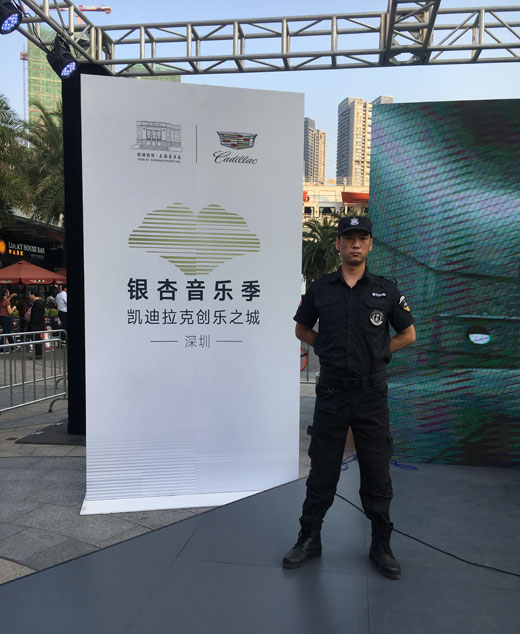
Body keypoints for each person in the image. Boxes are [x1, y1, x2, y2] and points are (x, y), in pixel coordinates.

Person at [283, 216, 416, 580]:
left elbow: (408, 335)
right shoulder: (320, 288)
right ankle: (309, 538)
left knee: (376, 470)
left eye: (362, 238)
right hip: (332, 392)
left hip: (371, 394)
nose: (355, 244)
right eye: (349, 238)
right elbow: (301, 329)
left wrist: (378, 354)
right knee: (323, 468)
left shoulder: (386, 290)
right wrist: (327, 347)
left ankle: (381, 545)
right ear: (338, 244)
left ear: (369, 245)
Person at [28, 289, 45, 358]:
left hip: (36, 325)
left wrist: (34, 325)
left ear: (33, 294)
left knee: (36, 339)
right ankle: (38, 353)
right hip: (39, 324)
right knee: (36, 339)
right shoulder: (40, 302)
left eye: (29, 294)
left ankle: (38, 354)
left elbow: (35, 316)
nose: (29, 296)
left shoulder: (37, 303)